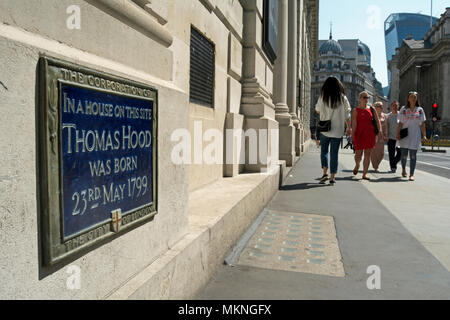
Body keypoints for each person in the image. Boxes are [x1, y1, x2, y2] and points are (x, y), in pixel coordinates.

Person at [315, 77, 351, 185]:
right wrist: (349, 127)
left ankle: (324, 173)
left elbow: (317, 110)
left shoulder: (323, 97)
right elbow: (347, 115)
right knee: (334, 154)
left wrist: (325, 113)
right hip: (338, 130)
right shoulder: (343, 98)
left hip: (325, 129)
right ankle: (332, 177)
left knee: (324, 151)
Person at [396, 92, 428, 181]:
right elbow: (400, 123)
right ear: (408, 99)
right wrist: (398, 134)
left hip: (415, 134)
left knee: (413, 155)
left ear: (417, 99)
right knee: (404, 155)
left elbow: (422, 124)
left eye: (415, 97)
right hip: (405, 134)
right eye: (411, 97)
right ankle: (403, 169)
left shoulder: (420, 110)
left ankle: (411, 174)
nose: (413, 98)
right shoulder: (404, 109)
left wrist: (424, 135)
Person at [351, 92, 383, 180]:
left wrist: (380, 131)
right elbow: (354, 124)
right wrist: (352, 134)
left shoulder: (372, 109)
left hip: (370, 134)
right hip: (359, 134)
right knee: (358, 154)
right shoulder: (355, 110)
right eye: (364, 97)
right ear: (360, 98)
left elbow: (377, 121)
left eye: (367, 97)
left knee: (367, 154)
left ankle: (364, 174)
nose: (366, 99)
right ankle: (357, 165)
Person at [370, 102, 388, 172]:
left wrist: (386, 135)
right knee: (373, 152)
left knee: (381, 153)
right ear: (375, 107)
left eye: (382, 106)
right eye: (379, 106)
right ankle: (375, 166)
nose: (381, 107)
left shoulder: (385, 116)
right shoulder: (372, 116)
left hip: (381, 136)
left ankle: (376, 164)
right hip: (373, 135)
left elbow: (386, 126)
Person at [386, 101, 402, 173]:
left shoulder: (401, 115)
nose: (395, 107)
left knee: (400, 153)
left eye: (396, 106)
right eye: (393, 105)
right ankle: (393, 167)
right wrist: (386, 135)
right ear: (391, 106)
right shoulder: (388, 116)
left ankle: (394, 163)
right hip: (391, 138)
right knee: (391, 154)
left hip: (399, 138)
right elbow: (387, 126)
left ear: (398, 107)